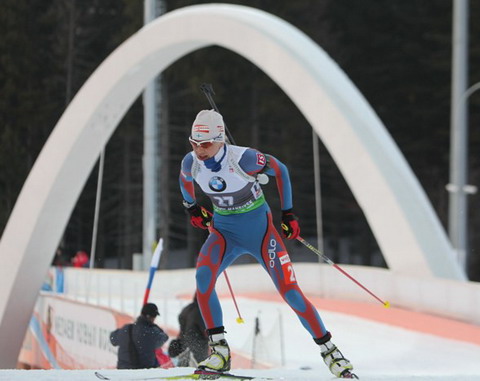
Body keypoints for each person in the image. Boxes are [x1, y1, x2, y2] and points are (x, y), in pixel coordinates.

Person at [179, 110, 355, 378]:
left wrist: (288, 213)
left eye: (205, 144)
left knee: (290, 291)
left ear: (221, 139)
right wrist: (191, 207)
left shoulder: (245, 159)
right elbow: (185, 180)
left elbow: (280, 170)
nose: (199, 151)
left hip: (260, 233)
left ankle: (331, 352)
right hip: (224, 231)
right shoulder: (191, 161)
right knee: (203, 279)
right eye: (194, 143)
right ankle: (220, 352)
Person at [110, 303, 169, 369]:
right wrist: (153, 326)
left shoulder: (126, 329)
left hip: (124, 372)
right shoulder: (152, 333)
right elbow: (164, 337)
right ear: (151, 317)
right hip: (144, 374)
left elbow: (112, 339)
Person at [168, 295, 208, 367]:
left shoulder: (186, 309)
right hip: (198, 349)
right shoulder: (201, 311)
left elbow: (181, 325)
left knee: (184, 371)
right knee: (198, 372)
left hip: (184, 347)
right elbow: (206, 331)